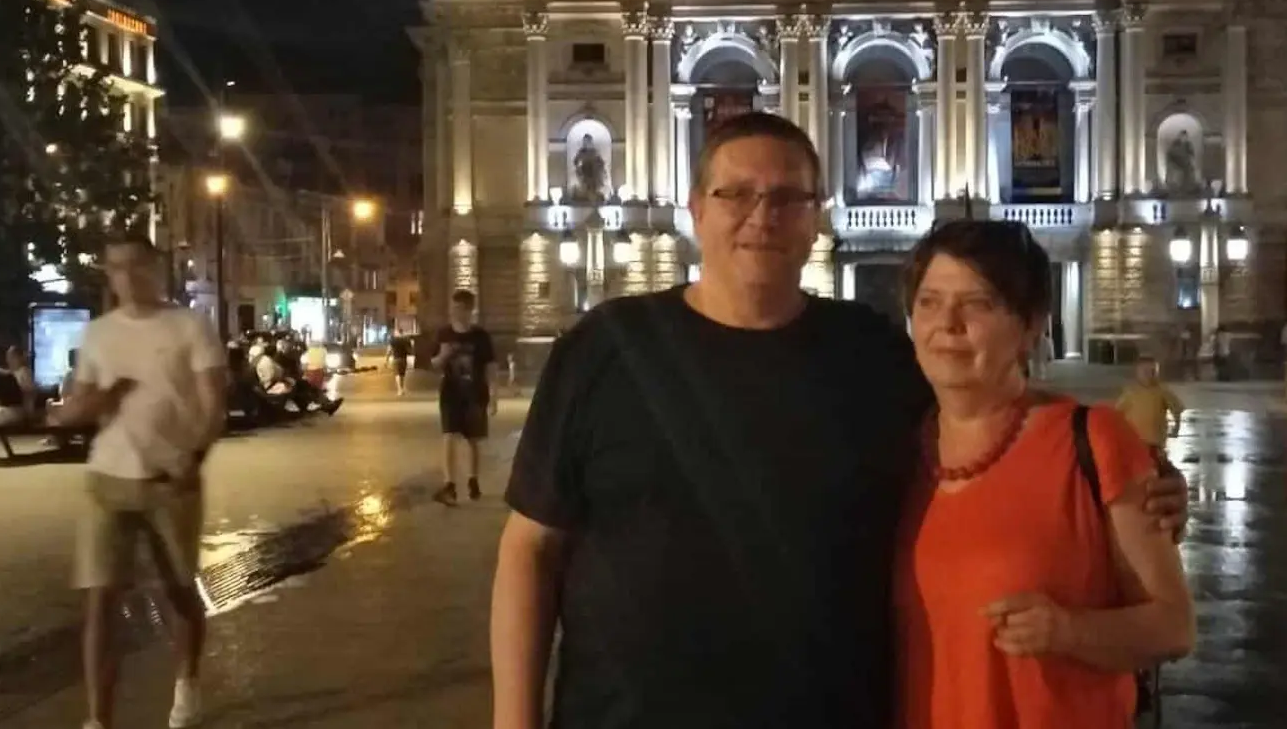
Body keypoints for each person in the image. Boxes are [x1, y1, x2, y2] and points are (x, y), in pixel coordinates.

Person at [490, 112, 1190, 729]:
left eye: (788, 197)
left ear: (816, 216)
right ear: (696, 208)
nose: (762, 215)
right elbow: (530, 550)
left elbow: (986, 424)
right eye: (736, 193)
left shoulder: (875, 354)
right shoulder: (605, 347)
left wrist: (1131, 480)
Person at [897, 220, 1194, 728]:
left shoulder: (1094, 440)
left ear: (1031, 326)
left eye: (978, 304)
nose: (947, 322)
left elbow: (1174, 626)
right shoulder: (898, 450)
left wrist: (1069, 632)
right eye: (929, 301)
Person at [49, 233, 227, 729]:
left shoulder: (190, 326)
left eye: (135, 266)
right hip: (107, 478)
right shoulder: (100, 334)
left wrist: (195, 453)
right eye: (115, 268)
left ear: (156, 268)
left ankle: (187, 680)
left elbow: (214, 404)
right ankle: (97, 719)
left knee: (178, 592)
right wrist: (80, 408)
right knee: (99, 600)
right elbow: (76, 407)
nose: (126, 277)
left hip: (169, 479)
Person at [433, 289, 496, 504]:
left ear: (470, 310)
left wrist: (494, 395)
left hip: (475, 393)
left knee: (473, 440)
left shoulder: (481, 336)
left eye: (460, 308)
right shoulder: (444, 334)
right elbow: (434, 363)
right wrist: (443, 355)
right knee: (449, 436)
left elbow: (491, 366)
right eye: (453, 308)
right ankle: (449, 485)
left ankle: (473, 480)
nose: (455, 312)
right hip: (450, 392)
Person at [1115, 355, 1186, 452]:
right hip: (1135, 439)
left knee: (1155, 463)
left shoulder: (1162, 391)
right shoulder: (1131, 392)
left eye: (1152, 372)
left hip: (1156, 440)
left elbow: (1176, 409)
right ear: (1137, 373)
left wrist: (1177, 427)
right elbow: (1118, 413)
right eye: (1145, 372)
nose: (1148, 375)